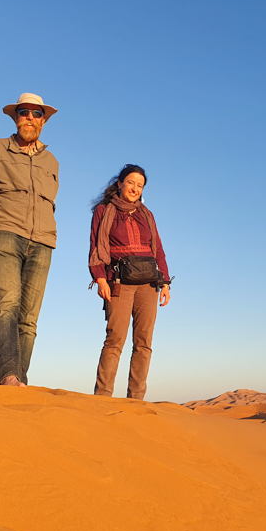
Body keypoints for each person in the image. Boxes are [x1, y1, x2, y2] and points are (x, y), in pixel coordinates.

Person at [0, 93, 59, 387]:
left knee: (30, 318)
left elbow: (52, 203)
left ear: (43, 121)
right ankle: (7, 375)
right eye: (24, 112)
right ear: (15, 117)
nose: (30, 119)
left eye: (37, 114)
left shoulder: (52, 161)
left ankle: (20, 379)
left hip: (43, 240)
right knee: (7, 305)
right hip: (5, 232)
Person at [88, 164, 172, 400]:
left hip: (148, 284)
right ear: (120, 183)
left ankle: (136, 399)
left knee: (144, 343)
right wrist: (100, 278)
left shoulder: (147, 214)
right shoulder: (104, 211)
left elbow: (159, 250)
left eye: (140, 185)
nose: (135, 188)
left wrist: (165, 282)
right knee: (115, 339)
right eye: (131, 182)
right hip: (118, 281)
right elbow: (96, 246)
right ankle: (102, 397)